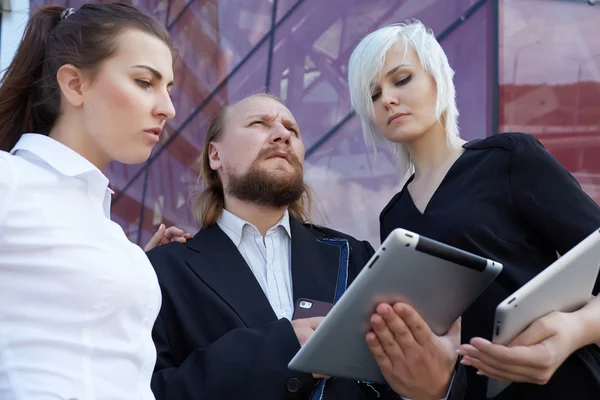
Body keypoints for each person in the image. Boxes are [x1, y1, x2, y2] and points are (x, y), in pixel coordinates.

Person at [146, 92, 467, 400]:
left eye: (292, 130)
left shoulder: (358, 259)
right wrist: (283, 347)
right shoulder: (162, 272)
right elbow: (145, 391)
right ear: (215, 155)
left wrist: (434, 390)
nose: (282, 135)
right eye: (259, 123)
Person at [347, 20, 600, 400]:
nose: (387, 99)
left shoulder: (509, 158)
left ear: (437, 79)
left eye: (401, 80)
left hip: (566, 384)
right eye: (373, 93)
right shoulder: (393, 219)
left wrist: (575, 330)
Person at [0, 3, 190, 399]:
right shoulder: (11, 180)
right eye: (144, 82)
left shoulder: (112, 234)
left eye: (168, 89)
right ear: (75, 85)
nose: (168, 109)